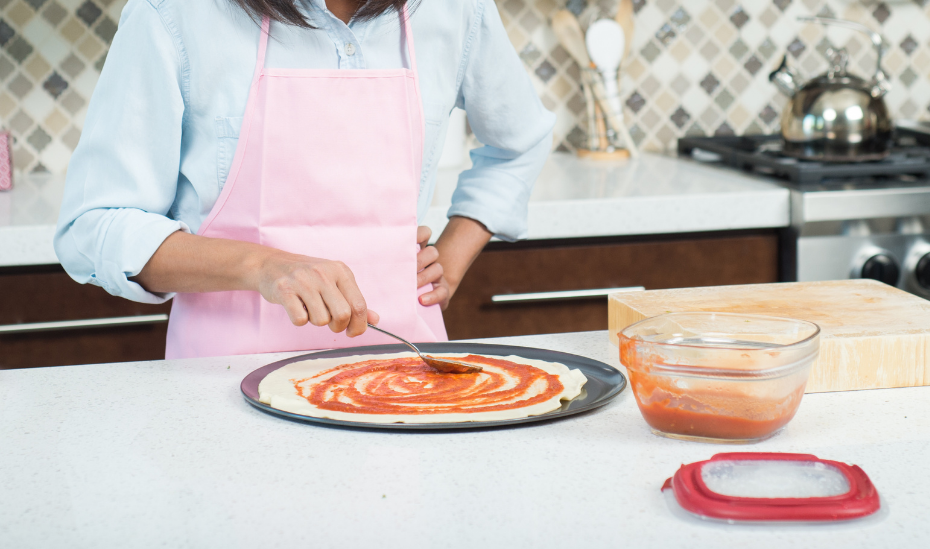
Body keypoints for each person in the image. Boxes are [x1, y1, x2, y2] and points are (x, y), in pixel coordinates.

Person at [55, 0, 555, 359]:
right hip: (219, 383)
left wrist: (452, 256)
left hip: (405, 367)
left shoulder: (455, 11)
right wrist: (261, 265)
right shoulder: (175, 14)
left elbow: (520, 141)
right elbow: (94, 226)